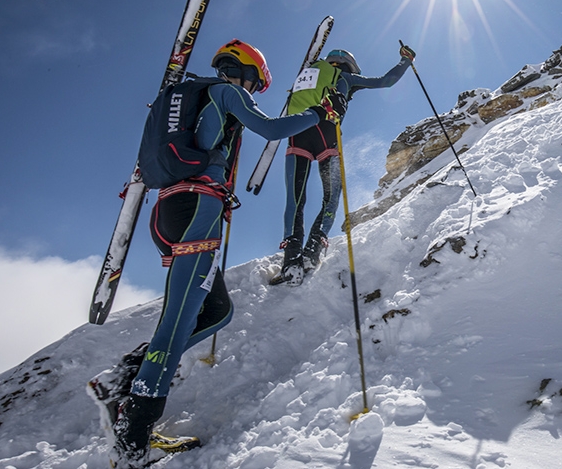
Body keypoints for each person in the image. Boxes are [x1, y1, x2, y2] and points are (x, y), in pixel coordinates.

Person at [88, 39, 346, 469]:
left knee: (217, 310)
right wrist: (317, 113)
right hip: (198, 209)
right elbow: (271, 128)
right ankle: (133, 442)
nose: (254, 92)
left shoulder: (185, 99)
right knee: (174, 329)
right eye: (256, 84)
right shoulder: (225, 91)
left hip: (168, 211)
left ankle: (125, 377)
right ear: (245, 71)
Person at [273, 43, 415, 285]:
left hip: (297, 133)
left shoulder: (307, 75)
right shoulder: (346, 77)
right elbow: (386, 81)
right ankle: (313, 251)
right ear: (349, 65)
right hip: (326, 134)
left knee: (295, 199)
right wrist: (406, 61)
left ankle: (291, 259)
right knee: (331, 196)